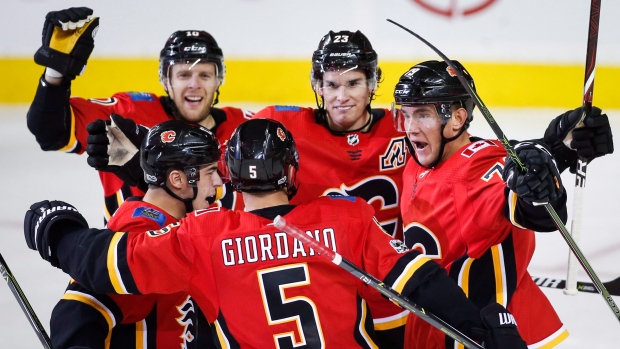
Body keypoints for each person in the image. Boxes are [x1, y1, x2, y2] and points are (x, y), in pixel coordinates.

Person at [24, 119, 529, 349]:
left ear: (232, 175)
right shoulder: (344, 217)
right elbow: (421, 283)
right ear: (290, 173)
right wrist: (483, 331)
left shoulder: (205, 235)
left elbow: (107, 262)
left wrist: (56, 230)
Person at [391, 60, 613, 348]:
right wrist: (555, 148)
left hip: (494, 333)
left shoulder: (476, 170)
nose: (410, 128)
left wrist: (541, 187)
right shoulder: (418, 161)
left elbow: (529, 207)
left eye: (422, 115)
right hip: (436, 326)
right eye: (406, 115)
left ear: (457, 119)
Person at [26, 7, 250, 222]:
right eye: (183, 75)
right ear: (166, 80)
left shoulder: (245, 129)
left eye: (204, 75)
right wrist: (55, 75)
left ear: (218, 80)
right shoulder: (127, 114)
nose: (194, 84)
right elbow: (51, 132)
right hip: (132, 253)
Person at [49, 121, 223, 348]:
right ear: (178, 180)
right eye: (210, 172)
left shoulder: (176, 222)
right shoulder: (140, 232)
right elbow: (81, 307)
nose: (218, 182)